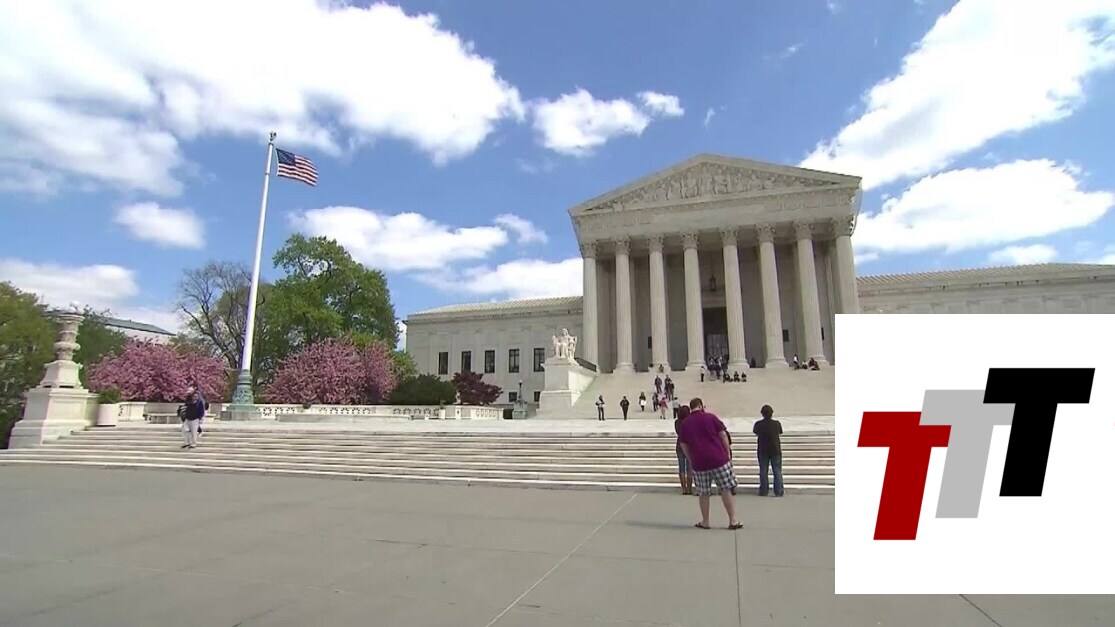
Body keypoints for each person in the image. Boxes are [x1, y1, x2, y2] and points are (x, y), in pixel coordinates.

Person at [677, 397, 742, 530]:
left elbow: (683, 445)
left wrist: (690, 458)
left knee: (703, 493)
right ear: (701, 406)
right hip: (719, 459)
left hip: (699, 462)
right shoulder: (711, 417)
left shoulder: (685, 423)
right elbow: (723, 435)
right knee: (725, 489)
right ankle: (733, 520)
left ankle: (705, 521)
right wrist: (727, 452)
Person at [753, 404, 784, 497]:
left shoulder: (758, 424)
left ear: (762, 414)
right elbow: (780, 431)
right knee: (777, 471)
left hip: (763, 450)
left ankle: (763, 490)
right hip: (775, 449)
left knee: (763, 471)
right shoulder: (776, 424)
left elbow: (755, 432)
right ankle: (778, 491)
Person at [674, 404, 693, 495]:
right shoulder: (690, 422)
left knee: (681, 468)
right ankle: (689, 488)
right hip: (689, 445)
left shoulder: (677, 422)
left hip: (679, 445)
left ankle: (684, 488)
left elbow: (678, 432)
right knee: (689, 468)